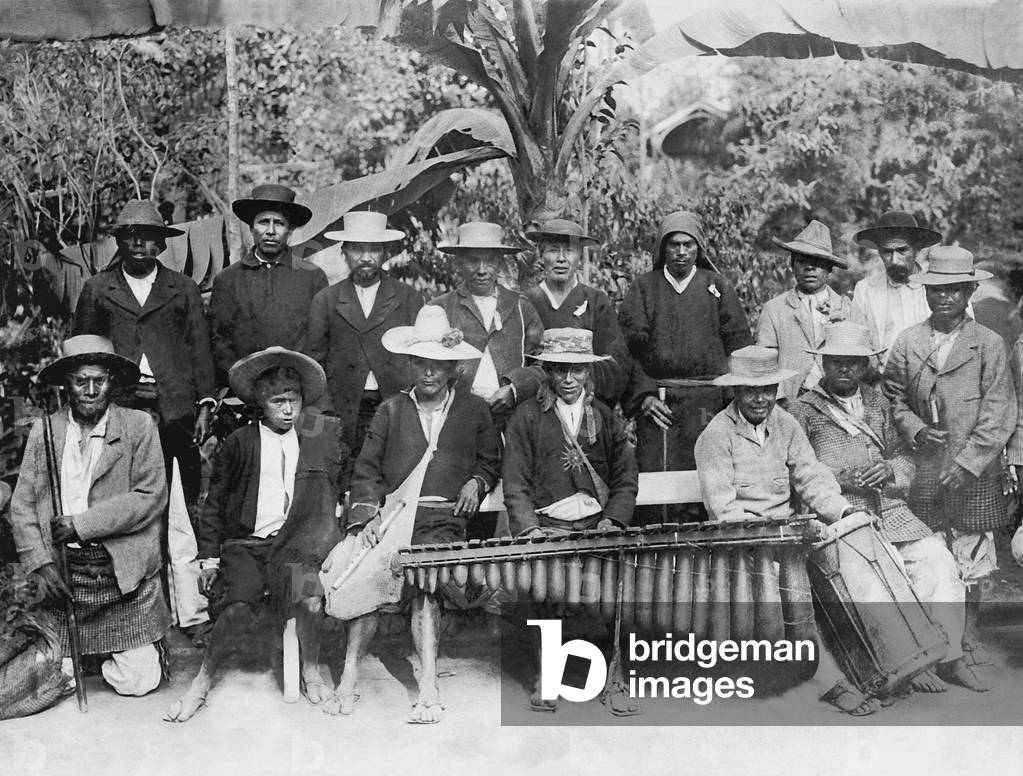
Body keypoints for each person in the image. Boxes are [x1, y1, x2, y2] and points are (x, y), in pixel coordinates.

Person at [324, 306, 500, 723]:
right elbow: (365, 470)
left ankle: (428, 688)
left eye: (438, 365)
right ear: (409, 364)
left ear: (453, 367)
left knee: (423, 581)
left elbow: (491, 460)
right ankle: (348, 675)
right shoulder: (390, 410)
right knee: (366, 570)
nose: (429, 373)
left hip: (441, 521)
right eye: (420, 363)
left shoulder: (473, 411)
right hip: (392, 518)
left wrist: (477, 481)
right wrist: (366, 520)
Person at [790, 321, 988, 693]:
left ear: (865, 365)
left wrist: (889, 469)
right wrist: (840, 479)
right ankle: (911, 661)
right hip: (842, 517)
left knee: (939, 562)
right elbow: (796, 470)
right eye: (836, 361)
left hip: (892, 511)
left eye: (853, 361)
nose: (844, 369)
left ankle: (949, 657)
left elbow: (905, 456)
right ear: (824, 364)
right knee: (886, 572)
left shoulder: (879, 403)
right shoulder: (803, 411)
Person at [164, 347, 347, 722]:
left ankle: (311, 671)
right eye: (277, 401)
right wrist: (211, 559)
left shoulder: (312, 436)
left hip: (294, 547)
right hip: (248, 547)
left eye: (293, 400)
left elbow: (338, 468)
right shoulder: (241, 442)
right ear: (260, 403)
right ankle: (201, 681)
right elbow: (213, 503)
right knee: (236, 610)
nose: (287, 409)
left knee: (309, 599)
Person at [72, 199, 215, 639]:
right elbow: (83, 352)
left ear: (161, 243)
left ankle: (189, 613)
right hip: (122, 410)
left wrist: (205, 403)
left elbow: (200, 349)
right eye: (131, 235)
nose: (139, 244)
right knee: (124, 505)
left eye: (148, 236)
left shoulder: (182, 287)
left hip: (173, 409)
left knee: (180, 510)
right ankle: (128, 614)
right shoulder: (98, 288)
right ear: (120, 240)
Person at [10, 335, 170, 697]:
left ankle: (131, 649)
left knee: (139, 681)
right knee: (47, 678)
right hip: (67, 576)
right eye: (82, 381)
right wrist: (39, 563)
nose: (91, 390)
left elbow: (149, 496)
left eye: (100, 380)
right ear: (67, 383)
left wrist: (81, 524)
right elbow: (22, 505)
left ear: (111, 381)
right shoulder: (45, 430)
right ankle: (81, 656)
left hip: (122, 579)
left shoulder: (138, 426)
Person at [883, 246, 1016, 669]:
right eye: (936, 289)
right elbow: (892, 398)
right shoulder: (909, 341)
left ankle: (969, 629)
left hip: (974, 473)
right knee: (932, 548)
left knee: (973, 550)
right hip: (924, 467)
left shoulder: (988, 344)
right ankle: (933, 634)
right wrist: (916, 428)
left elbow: (999, 412)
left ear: (970, 291)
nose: (944, 298)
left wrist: (969, 462)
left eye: (955, 290)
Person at [501, 328, 639, 715]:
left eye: (576, 370)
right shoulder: (527, 418)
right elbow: (515, 481)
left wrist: (613, 521)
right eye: (559, 369)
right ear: (547, 371)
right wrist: (529, 529)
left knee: (614, 598)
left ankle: (615, 677)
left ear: (588, 373)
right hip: (549, 528)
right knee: (544, 598)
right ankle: (547, 674)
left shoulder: (606, 418)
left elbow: (626, 479)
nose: (568, 379)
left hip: (599, 528)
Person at [619, 210, 752, 522]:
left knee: (711, 479)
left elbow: (740, 348)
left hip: (710, 405)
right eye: (674, 244)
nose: (681, 252)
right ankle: (656, 558)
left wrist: (732, 399)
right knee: (657, 486)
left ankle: (709, 559)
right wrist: (644, 397)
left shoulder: (717, 287)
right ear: (662, 248)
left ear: (699, 248)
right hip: (660, 405)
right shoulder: (643, 288)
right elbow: (626, 352)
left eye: (688, 245)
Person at [305, 210, 423, 467]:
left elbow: (421, 358)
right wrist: (327, 413)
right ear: (344, 252)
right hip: (344, 408)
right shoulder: (326, 300)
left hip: (393, 404)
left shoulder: (408, 298)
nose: (366, 257)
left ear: (385, 253)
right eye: (358, 249)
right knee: (346, 479)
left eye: (374, 249)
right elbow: (314, 362)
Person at [429, 221, 545, 427]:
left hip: (511, 420)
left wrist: (515, 388)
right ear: (459, 263)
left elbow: (542, 363)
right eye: (473, 261)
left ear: (500, 264)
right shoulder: (440, 308)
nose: (482, 270)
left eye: (490, 262)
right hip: (454, 420)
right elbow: (425, 366)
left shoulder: (520, 307)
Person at [209, 184, 328, 383]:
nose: (270, 231)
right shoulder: (228, 280)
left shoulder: (313, 277)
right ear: (251, 228)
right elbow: (219, 341)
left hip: (298, 387)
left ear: (290, 229)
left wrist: (299, 376)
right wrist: (244, 377)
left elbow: (320, 339)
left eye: (279, 223)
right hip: (243, 389)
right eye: (264, 222)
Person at [522, 219, 629, 406]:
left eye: (569, 251)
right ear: (541, 254)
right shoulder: (526, 302)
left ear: (579, 256)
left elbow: (614, 361)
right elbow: (518, 360)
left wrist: (584, 383)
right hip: (536, 406)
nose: (561, 259)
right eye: (553, 250)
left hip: (585, 403)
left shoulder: (596, 301)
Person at [757, 220, 865, 401]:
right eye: (802, 261)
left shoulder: (847, 308)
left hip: (838, 399)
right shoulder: (775, 310)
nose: (810, 268)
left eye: (818, 262)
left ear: (829, 268)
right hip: (792, 398)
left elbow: (863, 359)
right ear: (792, 265)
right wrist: (780, 398)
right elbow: (765, 362)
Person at [852, 210, 943, 364]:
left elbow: (963, 339)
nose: (894, 260)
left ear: (917, 248)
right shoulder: (866, 290)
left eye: (902, 250)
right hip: (885, 380)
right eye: (887, 252)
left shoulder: (941, 286)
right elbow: (857, 343)